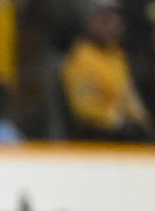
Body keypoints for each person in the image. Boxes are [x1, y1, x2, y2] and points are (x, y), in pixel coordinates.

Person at [60, 0, 153, 141]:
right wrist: (122, 122)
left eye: (116, 21)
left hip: (128, 131)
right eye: (105, 21)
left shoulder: (117, 56)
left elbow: (129, 96)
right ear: (89, 22)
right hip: (98, 137)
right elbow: (86, 110)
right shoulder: (80, 59)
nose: (113, 27)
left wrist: (142, 121)